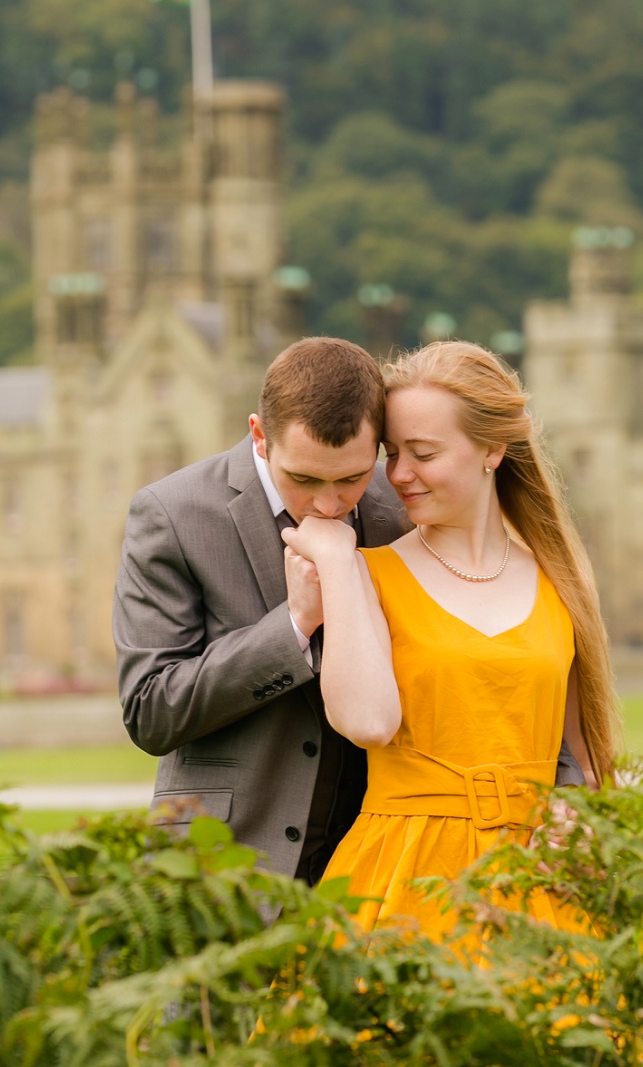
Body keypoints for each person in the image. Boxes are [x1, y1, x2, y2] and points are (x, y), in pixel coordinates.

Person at [282, 339, 617, 941]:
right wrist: (335, 558)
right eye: (393, 454)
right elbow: (366, 721)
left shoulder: (560, 578)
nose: (398, 475)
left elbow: (583, 756)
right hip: (403, 875)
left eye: (424, 453)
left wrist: (580, 810)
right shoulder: (367, 573)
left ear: (493, 449)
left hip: (541, 880)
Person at [114, 337, 406, 884]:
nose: (328, 504)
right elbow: (151, 711)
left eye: (351, 478)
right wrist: (293, 624)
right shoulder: (171, 515)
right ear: (258, 434)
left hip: (377, 866)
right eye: (304, 479)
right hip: (223, 865)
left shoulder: (403, 510)